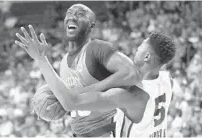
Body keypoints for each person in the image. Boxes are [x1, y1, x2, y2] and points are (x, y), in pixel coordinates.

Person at [15, 3, 147, 137]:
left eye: (80, 14)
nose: (72, 17)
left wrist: (90, 89)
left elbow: (133, 74)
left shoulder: (96, 48)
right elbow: (72, 104)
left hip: (106, 131)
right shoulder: (64, 62)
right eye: (69, 13)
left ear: (91, 25)